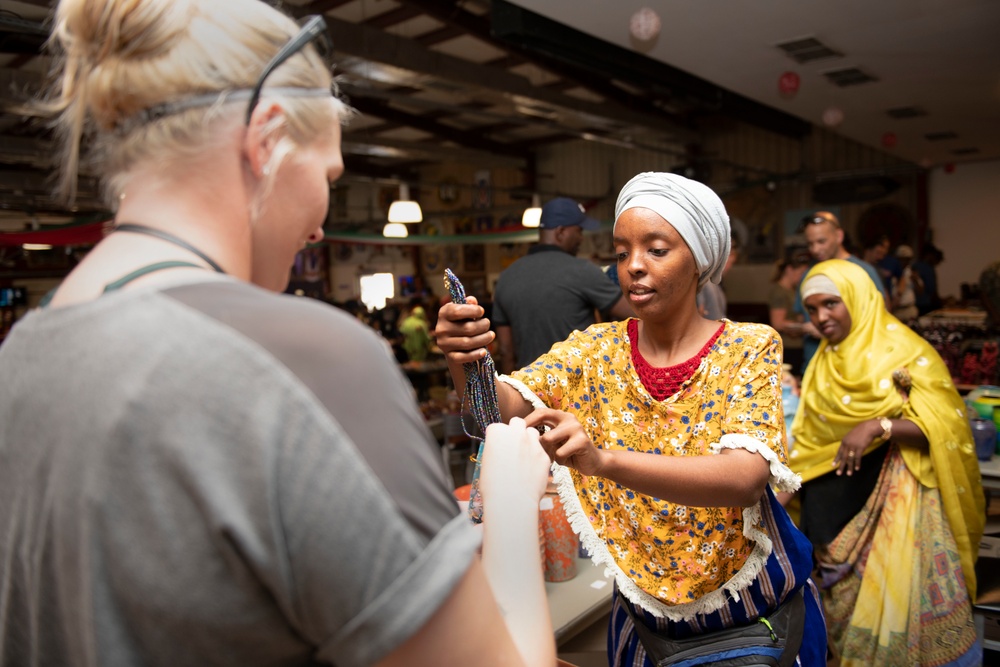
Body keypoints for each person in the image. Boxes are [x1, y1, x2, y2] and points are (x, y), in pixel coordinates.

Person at [0, 2, 557, 666]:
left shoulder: (23, 354)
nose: (320, 228)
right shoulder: (308, 358)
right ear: (265, 139)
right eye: (326, 177)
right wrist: (515, 499)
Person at [437, 171, 827, 667]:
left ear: (699, 259)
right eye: (622, 253)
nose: (633, 267)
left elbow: (743, 478)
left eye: (656, 250)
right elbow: (495, 408)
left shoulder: (746, 348)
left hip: (748, 626)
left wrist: (602, 461)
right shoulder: (596, 350)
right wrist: (464, 356)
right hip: (647, 628)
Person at [785, 259, 985, 666]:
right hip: (834, 517)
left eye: (831, 304)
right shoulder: (823, 361)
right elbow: (809, 438)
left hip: (897, 507)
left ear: (857, 299)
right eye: (812, 310)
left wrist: (879, 426)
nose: (821, 318)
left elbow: (947, 425)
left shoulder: (903, 351)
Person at [492, 196, 633, 374]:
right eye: (579, 231)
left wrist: (511, 394)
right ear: (560, 232)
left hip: (528, 390)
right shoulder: (582, 271)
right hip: (577, 392)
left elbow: (505, 350)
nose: (581, 238)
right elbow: (636, 313)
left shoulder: (506, 278)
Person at [795, 211, 888, 372]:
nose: (815, 249)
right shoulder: (809, 274)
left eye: (821, 241)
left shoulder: (862, 271)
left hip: (854, 368)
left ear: (838, 236)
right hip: (815, 367)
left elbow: (882, 320)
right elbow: (801, 315)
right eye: (810, 244)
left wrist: (828, 330)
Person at [768, 252, 811, 376]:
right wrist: (802, 326)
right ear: (789, 270)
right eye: (800, 273)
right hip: (788, 346)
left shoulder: (793, 290)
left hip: (798, 344)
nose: (802, 277)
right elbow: (778, 322)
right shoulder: (779, 292)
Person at [889, 244, 921, 321]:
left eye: (906, 259)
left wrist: (915, 280)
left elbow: (920, 291)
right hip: (894, 310)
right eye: (901, 259)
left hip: (908, 309)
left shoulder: (912, 272)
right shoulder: (890, 272)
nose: (903, 262)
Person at [912, 243, 943, 316]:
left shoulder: (915, 265)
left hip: (918, 303)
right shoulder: (926, 268)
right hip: (923, 304)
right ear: (929, 255)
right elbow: (931, 289)